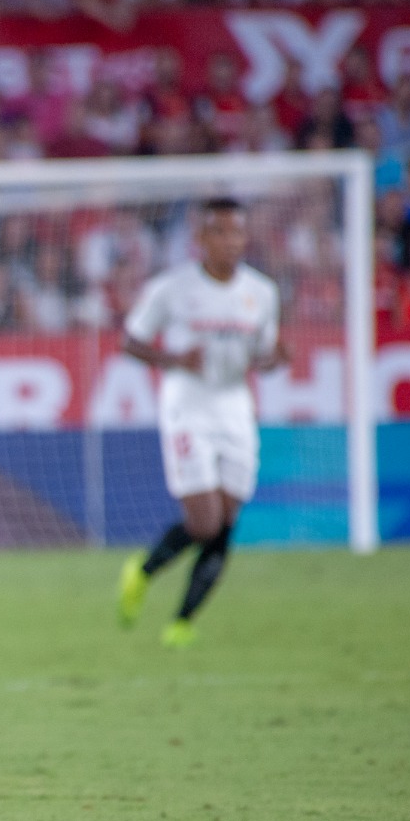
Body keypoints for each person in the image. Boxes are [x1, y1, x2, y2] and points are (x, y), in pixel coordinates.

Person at [116, 198, 289, 648]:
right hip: (187, 406)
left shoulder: (262, 292)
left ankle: (182, 622)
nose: (231, 242)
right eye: (221, 232)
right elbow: (131, 341)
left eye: (237, 233)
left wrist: (273, 360)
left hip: (235, 405)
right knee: (206, 520)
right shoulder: (171, 289)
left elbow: (262, 354)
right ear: (201, 238)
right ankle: (143, 571)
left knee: (228, 517)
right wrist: (173, 359)